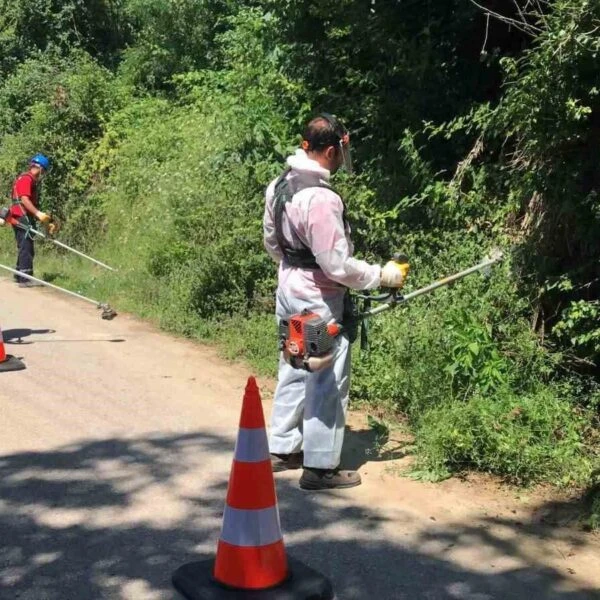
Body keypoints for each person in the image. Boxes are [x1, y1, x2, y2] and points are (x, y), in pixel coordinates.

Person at [263, 113, 407, 490]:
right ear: (330, 151)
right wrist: (382, 275)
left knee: (296, 367)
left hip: (291, 292)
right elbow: (337, 264)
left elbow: (272, 245)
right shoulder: (320, 199)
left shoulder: (279, 186)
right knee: (326, 377)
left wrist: (296, 273)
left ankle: (283, 449)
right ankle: (320, 467)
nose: (343, 159)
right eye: (341, 152)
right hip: (316, 301)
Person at [10, 153, 53, 287]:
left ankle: (19, 274)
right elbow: (24, 199)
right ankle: (25, 279)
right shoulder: (26, 179)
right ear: (40, 168)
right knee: (26, 246)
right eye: (44, 171)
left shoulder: (29, 180)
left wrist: (44, 220)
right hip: (21, 216)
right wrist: (38, 213)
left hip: (23, 216)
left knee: (24, 246)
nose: (43, 174)